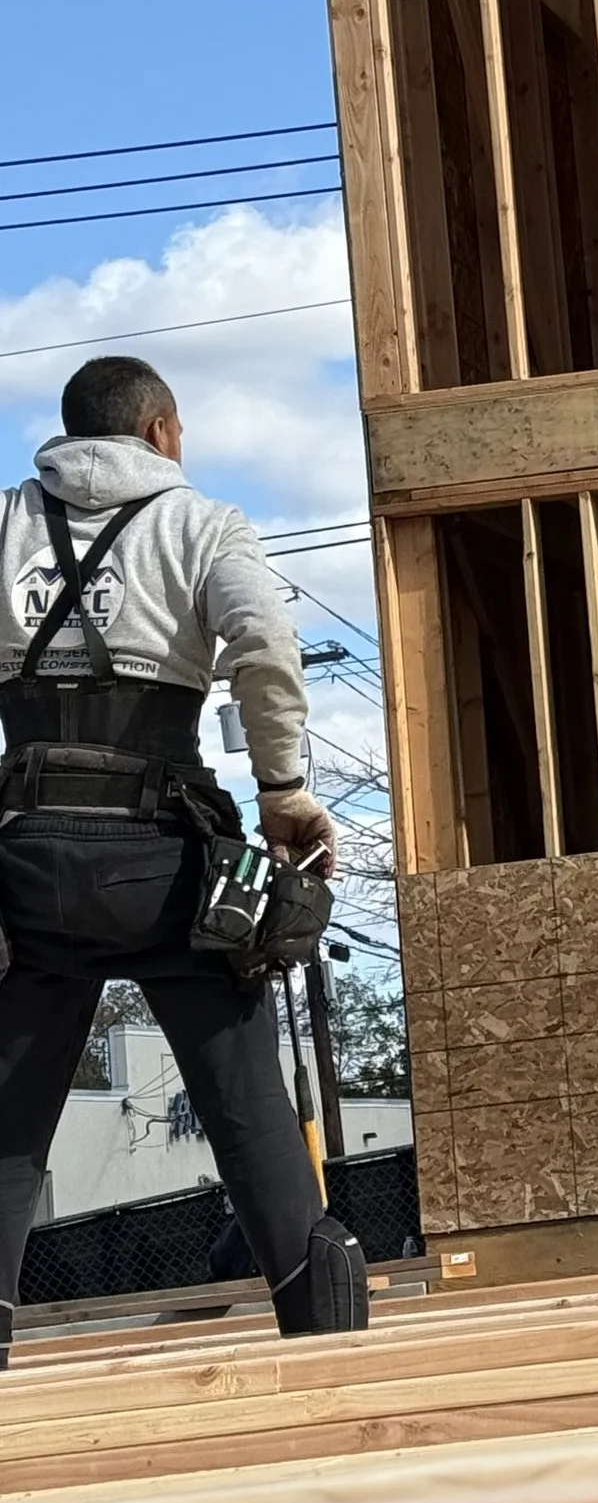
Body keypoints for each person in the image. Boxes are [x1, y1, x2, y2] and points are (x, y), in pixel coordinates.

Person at [0, 357, 363, 1361]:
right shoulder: (203, 525)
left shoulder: (5, 520)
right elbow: (263, 647)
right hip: (162, 861)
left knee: (9, 1130)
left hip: (25, 858)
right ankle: (327, 1352)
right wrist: (283, 790)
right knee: (248, 1115)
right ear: (160, 432)